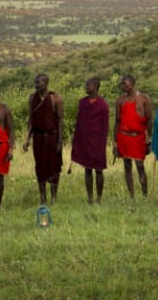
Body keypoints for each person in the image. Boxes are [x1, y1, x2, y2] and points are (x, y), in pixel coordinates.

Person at [26, 73, 64, 204]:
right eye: (35, 82)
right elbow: (31, 120)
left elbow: (60, 120)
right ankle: (43, 198)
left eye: (39, 83)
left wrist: (60, 141)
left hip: (52, 137)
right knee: (40, 168)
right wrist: (27, 139)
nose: (36, 85)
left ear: (46, 83)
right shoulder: (32, 98)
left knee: (54, 167)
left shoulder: (56, 98)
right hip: (38, 138)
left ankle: (54, 197)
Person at [70, 77, 110, 203]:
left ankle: (99, 197)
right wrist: (77, 139)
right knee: (87, 168)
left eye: (88, 85)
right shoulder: (82, 102)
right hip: (85, 140)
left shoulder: (103, 105)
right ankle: (90, 197)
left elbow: (105, 126)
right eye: (86, 84)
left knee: (98, 169)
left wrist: (102, 144)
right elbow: (79, 122)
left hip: (97, 141)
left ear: (96, 87)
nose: (86, 87)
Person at [114, 75, 153, 200]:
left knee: (140, 166)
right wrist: (115, 143)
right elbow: (117, 122)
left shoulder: (144, 99)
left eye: (125, 83)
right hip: (124, 137)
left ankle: (145, 195)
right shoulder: (120, 101)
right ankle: (132, 196)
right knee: (127, 166)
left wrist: (149, 139)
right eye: (122, 84)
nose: (123, 86)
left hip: (138, 138)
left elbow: (149, 121)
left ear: (132, 83)